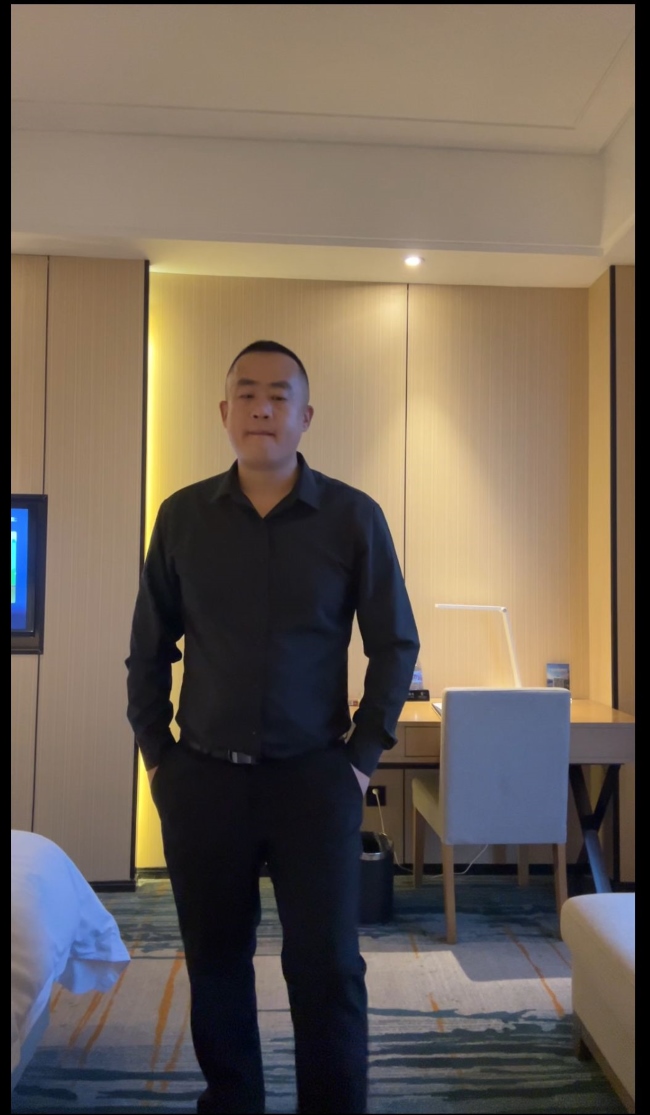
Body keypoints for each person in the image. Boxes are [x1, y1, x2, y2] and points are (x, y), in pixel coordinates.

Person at [126, 339, 420, 1115]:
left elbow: (395, 643)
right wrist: (159, 758)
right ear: (225, 411)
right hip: (202, 780)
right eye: (247, 393)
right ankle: (233, 1101)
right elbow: (148, 649)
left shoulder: (353, 517)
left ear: (305, 415)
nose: (262, 407)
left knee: (328, 967)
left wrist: (360, 758)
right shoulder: (181, 516)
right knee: (216, 963)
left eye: (279, 394)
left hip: (314, 780)